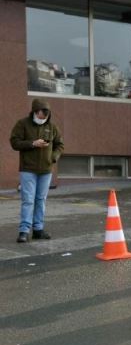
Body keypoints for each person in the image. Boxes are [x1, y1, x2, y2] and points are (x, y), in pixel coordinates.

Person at [10, 99, 64, 243]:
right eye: (42, 113)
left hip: (46, 170)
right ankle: (24, 231)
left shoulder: (52, 127)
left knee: (41, 200)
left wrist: (53, 157)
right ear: (35, 111)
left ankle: (38, 230)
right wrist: (32, 144)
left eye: (46, 114)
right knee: (28, 200)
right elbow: (14, 142)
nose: (44, 117)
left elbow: (60, 145)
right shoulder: (22, 124)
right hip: (28, 169)